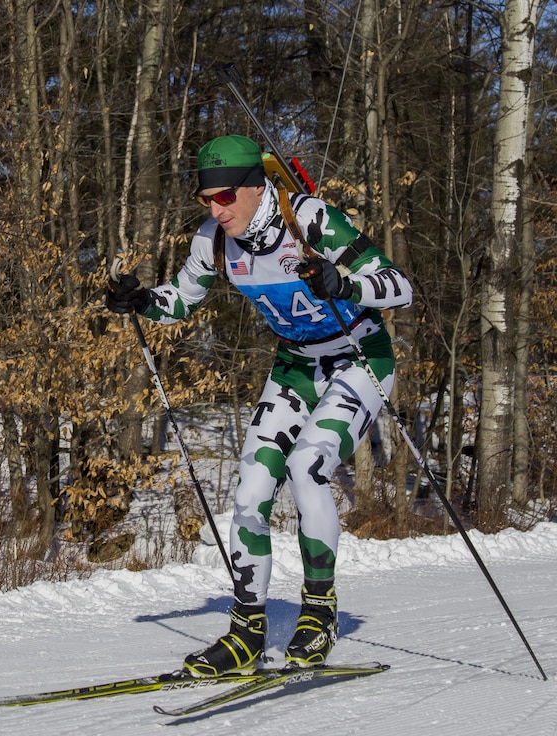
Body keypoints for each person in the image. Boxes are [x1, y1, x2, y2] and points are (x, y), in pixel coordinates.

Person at [106, 134, 413, 676]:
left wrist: (343, 283)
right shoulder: (215, 242)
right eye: (205, 199)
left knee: (309, 466)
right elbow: (179, 301)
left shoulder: (309, 220)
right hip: (296, 364)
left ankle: (319, 614)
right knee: (249, 490)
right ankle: (247, 630)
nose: (215, 208)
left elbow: (399, 286)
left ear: (256, 185)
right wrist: (140, 301)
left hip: (359, 358)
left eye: (224, 196)